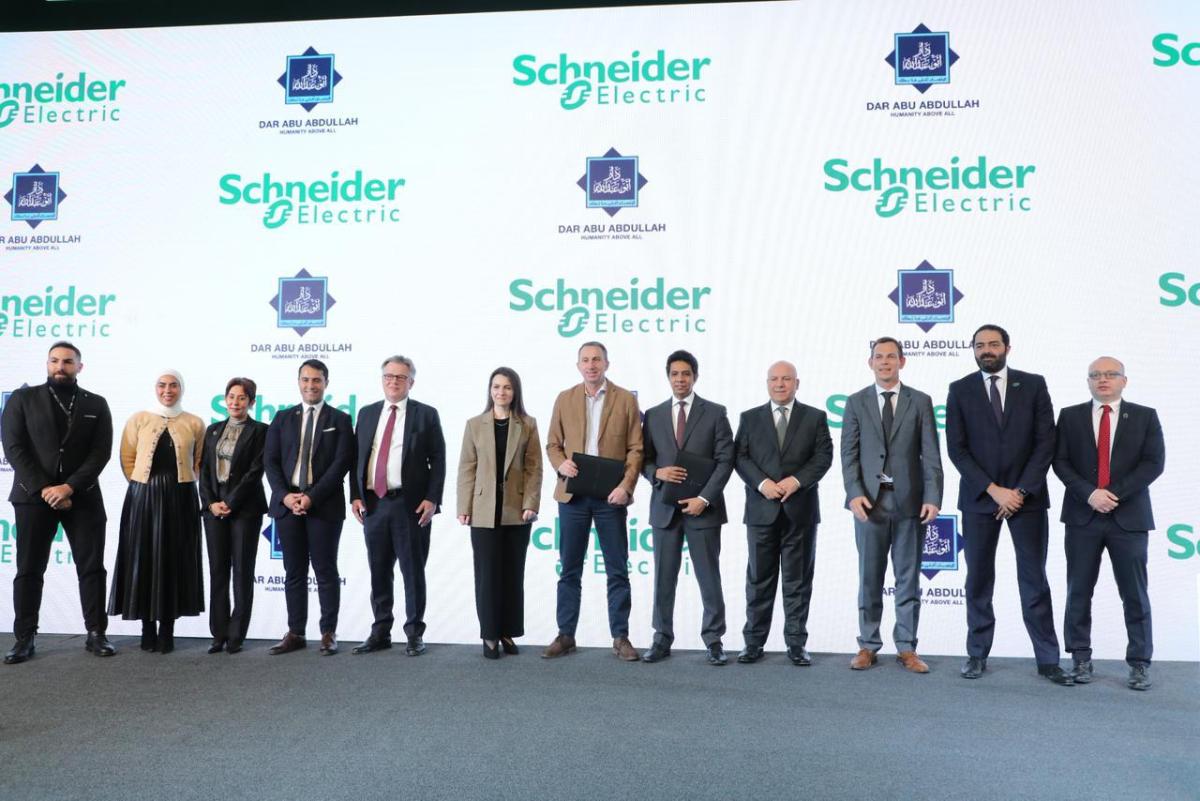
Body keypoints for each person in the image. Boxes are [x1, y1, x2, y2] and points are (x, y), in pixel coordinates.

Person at [945, 324, 1073, 685]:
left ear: (1007, 348)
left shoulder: (1033, 384)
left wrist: (1019, 491)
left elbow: (1046, 443)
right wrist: (993, 490)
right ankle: (976, 654)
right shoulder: (959, 389)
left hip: (1027, 500)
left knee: (1034, 579)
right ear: (973, 350)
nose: (986, 350)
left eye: (993, 344)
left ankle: (1048, 660)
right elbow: (957, 449)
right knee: (978, 579)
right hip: (979, 499)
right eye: (980, 345)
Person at [1052, 357, 1165, 690]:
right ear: (1088, 381)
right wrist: (1090, 494)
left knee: (1134, 594)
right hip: (1082, 517)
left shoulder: (1145, 416)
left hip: (1129, 519)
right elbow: (1060, 461)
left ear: (1123, 381)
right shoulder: (1070, 416)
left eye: (1110, 374)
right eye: (1096, 375)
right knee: (1078, 591)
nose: (1103, 379)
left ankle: (1140, 663)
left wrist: (1112, 494)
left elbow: (1153, 463)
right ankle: (1080, 658)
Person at [2, 341, 115, 664]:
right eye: (54, 361)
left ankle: (96, 633)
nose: (60, 367)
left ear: (80, 366)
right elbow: (14, 447)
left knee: (92, 568)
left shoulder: (97, 403)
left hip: (83, 496)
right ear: (47, 364)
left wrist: (68, 487)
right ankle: (24, 638)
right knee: (29, 569)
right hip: (32, 497)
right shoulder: (22, 399)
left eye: (67, 361)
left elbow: (101, 452)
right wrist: (45, 488)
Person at [840, 338, 943, 673]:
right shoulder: (855, 402)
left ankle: (907, 648)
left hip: (909, 503)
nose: (885, 362)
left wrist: (933, 497)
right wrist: (854, 492)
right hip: (868, 504)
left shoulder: (920, 401)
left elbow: (931, 454)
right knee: (869, 578)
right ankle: (867, 645)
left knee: (908, 578)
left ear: (902, 361)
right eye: (879, 357)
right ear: (870, 362)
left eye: (891, 357)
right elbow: (848, 455)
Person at [543, 341, 644, 661]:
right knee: (569, 569)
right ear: (578, 366)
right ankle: (566, 634)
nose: (591, 365)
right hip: (573, 496)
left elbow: (636, 449)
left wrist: (626, 486)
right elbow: (552, 444)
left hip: (610, 497)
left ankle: (621, 637)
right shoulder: (565, 398)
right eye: (585, 360)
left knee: (617, 569)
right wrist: (560, 464)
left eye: (597, 359)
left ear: (606, 364)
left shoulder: (625, 399)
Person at [734, 360, 832, 666]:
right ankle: (753, 643)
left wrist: (797, 481)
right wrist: (762, 484)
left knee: (798, 582)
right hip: (761, 511)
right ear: (767, 383)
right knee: (758, 580)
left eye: (786, 379)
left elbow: (824, 456)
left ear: (796, 383)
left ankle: (796, 644)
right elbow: (740, 457)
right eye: (774, 379)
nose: (780, 384)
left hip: (800, 511)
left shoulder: (815, 417)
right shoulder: (749, 418)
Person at [640, 350, 734, 665]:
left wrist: (703, 499)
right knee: (663, 578)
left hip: (703, 509)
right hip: (665, 509)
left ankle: (714, 640)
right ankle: (661, 638)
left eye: (686, 374)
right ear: (668, 377)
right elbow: (644, 459)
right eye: (675, 374)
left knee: (709, 577)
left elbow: (725, 460)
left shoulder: (715, 413)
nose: (680, 379)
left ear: (695, 376)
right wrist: (657, 473)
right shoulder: (653, 415)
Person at [350, 356, 445, 657]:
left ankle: (414, 634)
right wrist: (355, 496)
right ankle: (380, 631)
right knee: (379, 571)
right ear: (382, 380)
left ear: (411, 382)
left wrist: (432, 498)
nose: (393, 381)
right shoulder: (367, 413)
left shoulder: (425, 414)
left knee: (412, 572)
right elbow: (357, 458)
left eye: (401, 377)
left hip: (410, 505)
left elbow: (438, 459)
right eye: (389, 376)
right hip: (374, 504)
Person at [108, 370, 206, 654]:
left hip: (181, 497)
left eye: (173, 385)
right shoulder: (138, 419)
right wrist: (143, 486)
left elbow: (199, 461)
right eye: (162, 385)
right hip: (144, 498)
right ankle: (147, 629)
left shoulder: (194, 422)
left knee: (174, 560)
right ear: (156, 388)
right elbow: (127, 458)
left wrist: (180, 484)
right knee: (144, 558)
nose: (168, 390)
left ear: (181, 389)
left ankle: (167, 630)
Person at [263, 359, 354, 656]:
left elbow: (341, 464)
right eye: (305, 379)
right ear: (299, 382)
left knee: (325, 570)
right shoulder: (282, 418)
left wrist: (311, 497)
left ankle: (328, 633)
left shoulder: (340, 419)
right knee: (294, 571)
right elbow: (270, 461)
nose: (310, 385)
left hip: (324, 506)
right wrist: (285, 496)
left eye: (316, 380)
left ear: (326, 383)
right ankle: (296, 633)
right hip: (287, 506)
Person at [456, 367, 542, 659]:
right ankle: (490, 633)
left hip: (517, 511)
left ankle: (507, 630)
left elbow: (534, 468)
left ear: (515, 391)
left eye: (507, 387)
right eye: (496, 386)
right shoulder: (474, 425)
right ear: (490, 390)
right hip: (483, 510)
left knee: (512, 574)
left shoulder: (527, 424)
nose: (501, 392)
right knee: (487, 575)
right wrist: (464, 507)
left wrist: (531, 503)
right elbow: (467, 468)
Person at [198, 377, 268, 655]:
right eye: (231, 397)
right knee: (217, 571)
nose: (235, 403)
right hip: (214, 508)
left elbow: (255, 471)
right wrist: (210, 503)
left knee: (242, 571)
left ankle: (237, 635)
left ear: (251, 402)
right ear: (224, 400)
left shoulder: (261, 430)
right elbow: (204, 470)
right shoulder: (213, 430)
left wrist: (230, 502)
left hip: (245, 508)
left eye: (242, 398)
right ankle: (218, 634)